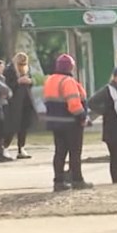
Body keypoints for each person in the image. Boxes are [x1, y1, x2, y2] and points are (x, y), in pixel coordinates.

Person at [42, 54, 92, 191]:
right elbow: (74, 104)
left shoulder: (50, 80)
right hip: (71, 123)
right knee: (75, 153)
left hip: (55, 123)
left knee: (59, 152)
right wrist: (83, 117)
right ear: (70, 67)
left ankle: (58, 182)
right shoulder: (67, 81)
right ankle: (77, 180)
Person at [3, 52, 37, 159]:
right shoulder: (9, 70)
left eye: (24, 63)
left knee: (24, 124)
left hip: (26, 100)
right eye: (20, 63)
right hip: (14, 102)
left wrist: (30, 81)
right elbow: (6, 85)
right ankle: (5, 147)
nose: (22, 66)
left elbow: (32, 82)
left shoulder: (27, 69)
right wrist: (18, 81)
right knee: (13, 124)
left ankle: (21, 148)